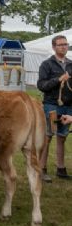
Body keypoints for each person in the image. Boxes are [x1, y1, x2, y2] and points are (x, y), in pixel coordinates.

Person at [37, 35, 72, 182]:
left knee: (62, 137)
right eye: (60, 45)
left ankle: (61, 168)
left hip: (68, 106)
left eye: (65, 44)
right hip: (52, 105)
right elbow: (41, 85)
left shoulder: (71, 64)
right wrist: (58, 79)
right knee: (48, 137)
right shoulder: (47, 64)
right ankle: (41, 169)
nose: (63, 47)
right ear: (53, 47)